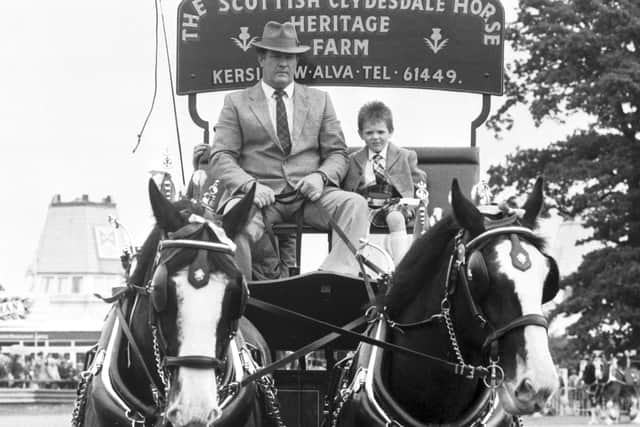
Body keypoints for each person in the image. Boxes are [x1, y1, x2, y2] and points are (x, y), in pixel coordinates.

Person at [210, 21, 369, 278]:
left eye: (290, 57)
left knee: (355, 205)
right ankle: (244, 297)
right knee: (234, 218)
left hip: (310, 198)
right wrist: (249, 186)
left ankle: (335, 279)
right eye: (276, 56)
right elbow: (220, 156)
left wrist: (321, 177)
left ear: (296, 62)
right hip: (259, 199)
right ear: (262, 59)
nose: (284, 63)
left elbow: (338, 153)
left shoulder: (320, 100)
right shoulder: (236, 102)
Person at [342, 101, 427, 265]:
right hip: (366, 203)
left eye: (381, 132)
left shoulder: (404, 155)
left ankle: (401, 265)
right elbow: (347, 187)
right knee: (359, 221)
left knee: (396, 218)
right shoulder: (354, 160)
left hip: (395, 202)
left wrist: (418, 200)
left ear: (390, 132)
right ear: (360, 134)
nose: (375, 137)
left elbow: (419, 181)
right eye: (369, 133)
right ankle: (362, 265)